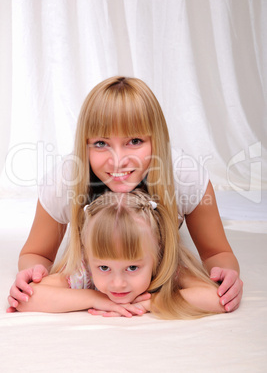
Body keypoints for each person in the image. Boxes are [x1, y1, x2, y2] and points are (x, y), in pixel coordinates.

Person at [7, 76, 243, 313]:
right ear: (85, 144)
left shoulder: (184, 175)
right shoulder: (65, 180)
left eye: (135, 141)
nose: (118, 161)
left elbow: (217, 253)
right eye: (101, 143)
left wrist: (225, 277)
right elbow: (35, 253)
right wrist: (33, 273)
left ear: (156, 140)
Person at [16, 190, 225, 318]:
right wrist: (95, 298)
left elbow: (215, 298)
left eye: (132, 267)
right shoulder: (84, 270)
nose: (117, 283)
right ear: (88, 258)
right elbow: (27, 299)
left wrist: (151, 302)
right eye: (104, 267)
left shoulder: (165, 266)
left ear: (157, 256)